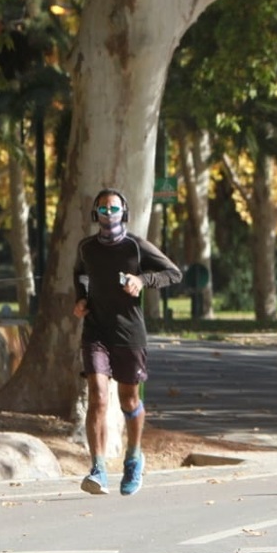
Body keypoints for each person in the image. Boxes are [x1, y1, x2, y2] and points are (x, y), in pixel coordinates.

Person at [72, 188, 182, 496]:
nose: (109, 214)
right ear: (96, 214)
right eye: (103, 210)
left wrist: (142, 281)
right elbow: (80, 275)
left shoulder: (135, 247)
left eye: (114, 209)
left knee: (128, 401)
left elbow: (173, 273)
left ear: (125, 212)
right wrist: (80, 300)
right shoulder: (87, 248)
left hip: (129, 333)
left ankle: (134, 458)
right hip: (95, 331)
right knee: (98, 396)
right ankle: (98, 469)